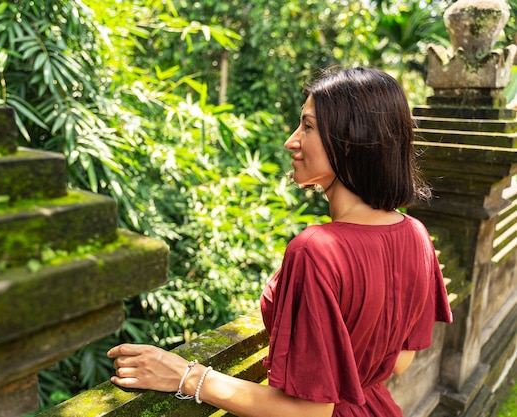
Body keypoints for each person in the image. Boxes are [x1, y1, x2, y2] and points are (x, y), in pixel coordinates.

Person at [107, 67, 453, 417]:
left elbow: (310, 411)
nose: (291, 140)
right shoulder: (415, 234)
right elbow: (400, 362)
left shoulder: (317, 249)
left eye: (308, 126)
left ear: (350, 142)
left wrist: (185, 375)